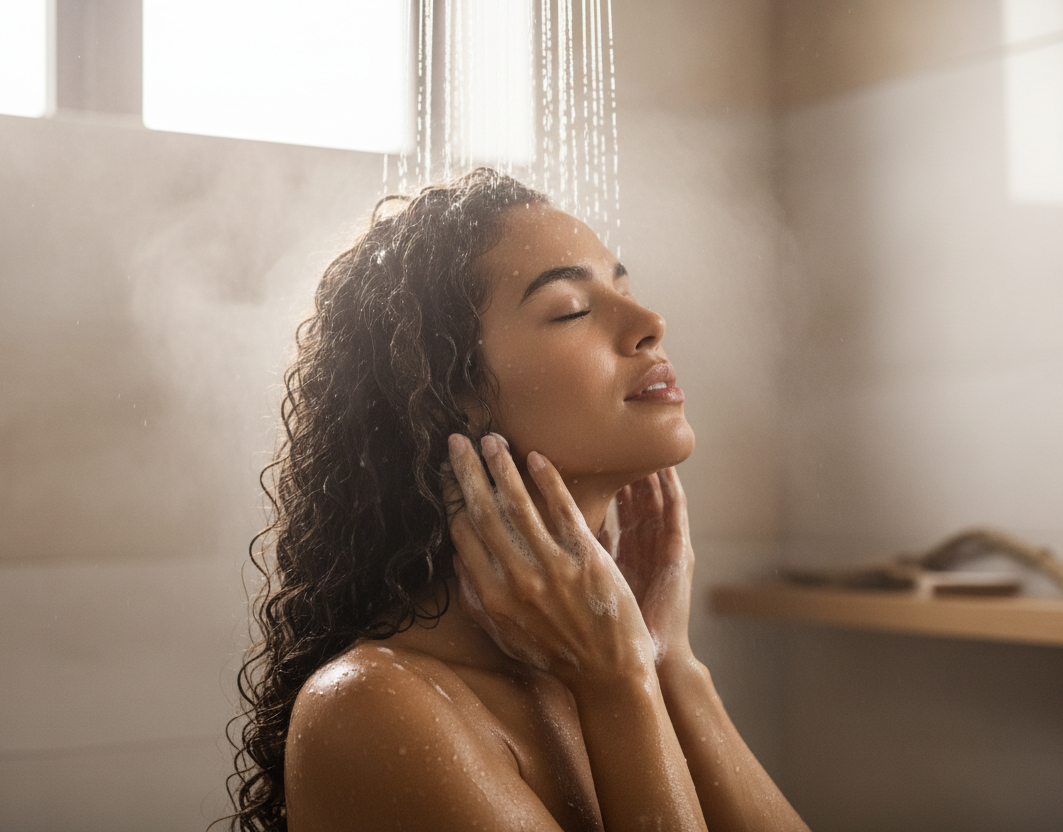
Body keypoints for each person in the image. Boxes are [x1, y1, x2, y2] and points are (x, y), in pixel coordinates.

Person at [229, 168, 808, 831]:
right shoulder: (374, 706)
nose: (650, 323)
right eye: (571, 309)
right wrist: (619, 685)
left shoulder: (597, 665)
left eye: (625, 289)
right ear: (452, 396)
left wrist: (666, 662)